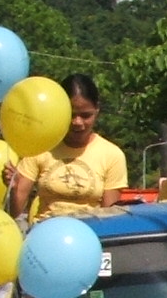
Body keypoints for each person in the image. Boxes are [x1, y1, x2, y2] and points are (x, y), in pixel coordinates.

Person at [10, 74, 127, 219]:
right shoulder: (41, 146)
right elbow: (14, 213)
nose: (78, 122)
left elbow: (110, 216)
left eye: (85, 115)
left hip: (88, 234)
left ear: (97, 110)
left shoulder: (112, 155)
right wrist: (13, 188)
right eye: (72, 115)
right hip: (45, 232)